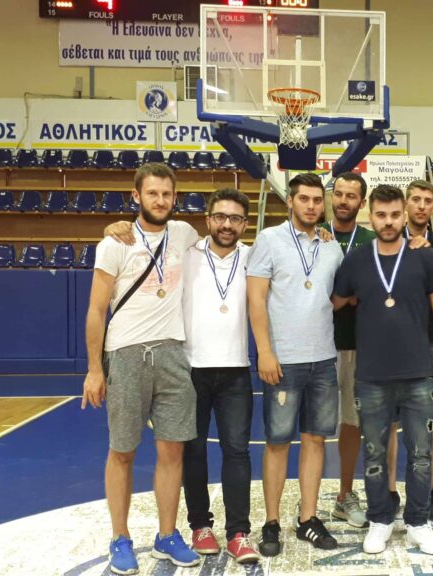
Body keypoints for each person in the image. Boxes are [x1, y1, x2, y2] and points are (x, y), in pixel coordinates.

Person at [82, 163, 201, 574]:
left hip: (172, 354)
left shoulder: (184, 234)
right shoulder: (114, 244)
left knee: (172, 449)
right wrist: (94, 369)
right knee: (123, 451)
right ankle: (120, 538)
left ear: (175, 197)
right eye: (152, 193)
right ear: (136, 196)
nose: (160, 200)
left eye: (167, 194)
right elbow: (96, 310)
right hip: (127, 354)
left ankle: (167, 535)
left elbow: (226, 242)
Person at [332, 184, 433, 555]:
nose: (388, 222)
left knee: (421, 454)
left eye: (394, 215)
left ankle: (418, 522)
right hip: (371, 375)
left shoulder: (425, 257)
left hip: (420, 372)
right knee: (374, 454)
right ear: (370, 217)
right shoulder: (357, 259)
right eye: (381, 215)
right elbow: (335, 301)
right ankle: (380, 519)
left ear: (404, 215)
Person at [246, 172, 344, 556]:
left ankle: (308, 519)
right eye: (304, 199)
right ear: (290, 201)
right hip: (283, 360)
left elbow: (336, 298)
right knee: (277, 442)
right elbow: (256, 300)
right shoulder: (269, 240)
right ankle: (271, 522)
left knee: (315, 440)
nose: (311, 206)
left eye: (317, 200)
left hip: (323, 359)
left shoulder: (332, 247)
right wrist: (265, 352)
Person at [179, 189, 259, 563]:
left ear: (245, 223)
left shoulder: (254, 256)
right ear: (208, 219)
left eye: (236, 218)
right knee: (193, 450)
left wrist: (322, 232)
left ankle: (238, 533)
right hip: (190, 367)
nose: (227, 224)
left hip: (236, 370)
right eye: (221, 217)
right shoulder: (186, 253)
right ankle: (200, 525)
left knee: (237, 451)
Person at [387, 179, 433, 522]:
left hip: (428, 347)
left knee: (432, 421)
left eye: (428, 201)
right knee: (387, 422)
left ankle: (428, 492)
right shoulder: (385, 242)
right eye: (416, 199)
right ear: (405, 204)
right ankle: (388, 492)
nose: (422, 206)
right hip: (389, 347)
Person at [320, 172, 378, 530]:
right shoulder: (314, 235)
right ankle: (308, 500)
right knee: (310, 427)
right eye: (338, 194)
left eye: (351, 196)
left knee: (353, 423)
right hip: (315, 344)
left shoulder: (372, 240)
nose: (343, 201)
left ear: (362, 202)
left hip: (358, 344)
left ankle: (345, 494)